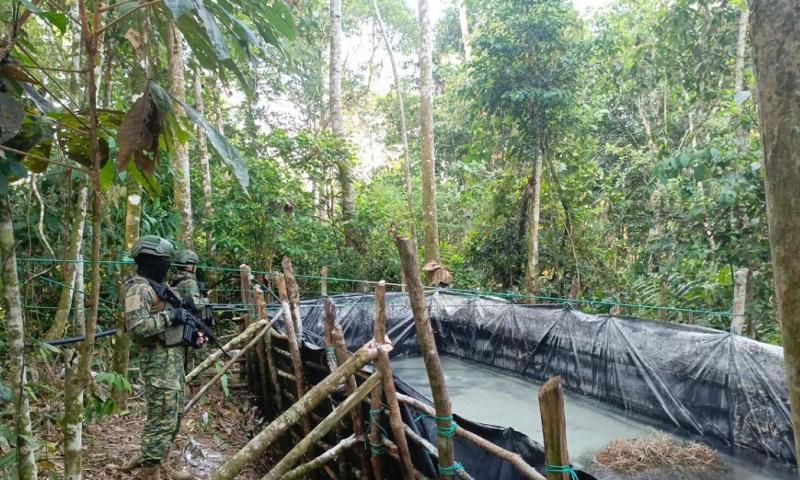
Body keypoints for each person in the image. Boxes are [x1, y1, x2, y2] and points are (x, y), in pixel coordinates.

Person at [121, 235, 197, 480]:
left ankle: (160, 464)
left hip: (173, 363)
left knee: (173, 417)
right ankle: (149, 471)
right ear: (150, 261)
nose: (167, 265)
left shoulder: (159, 288)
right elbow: (137, 329)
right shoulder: (139, 288)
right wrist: (170, 317)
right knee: (161, 420)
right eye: (163, 260)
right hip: (157, 365)